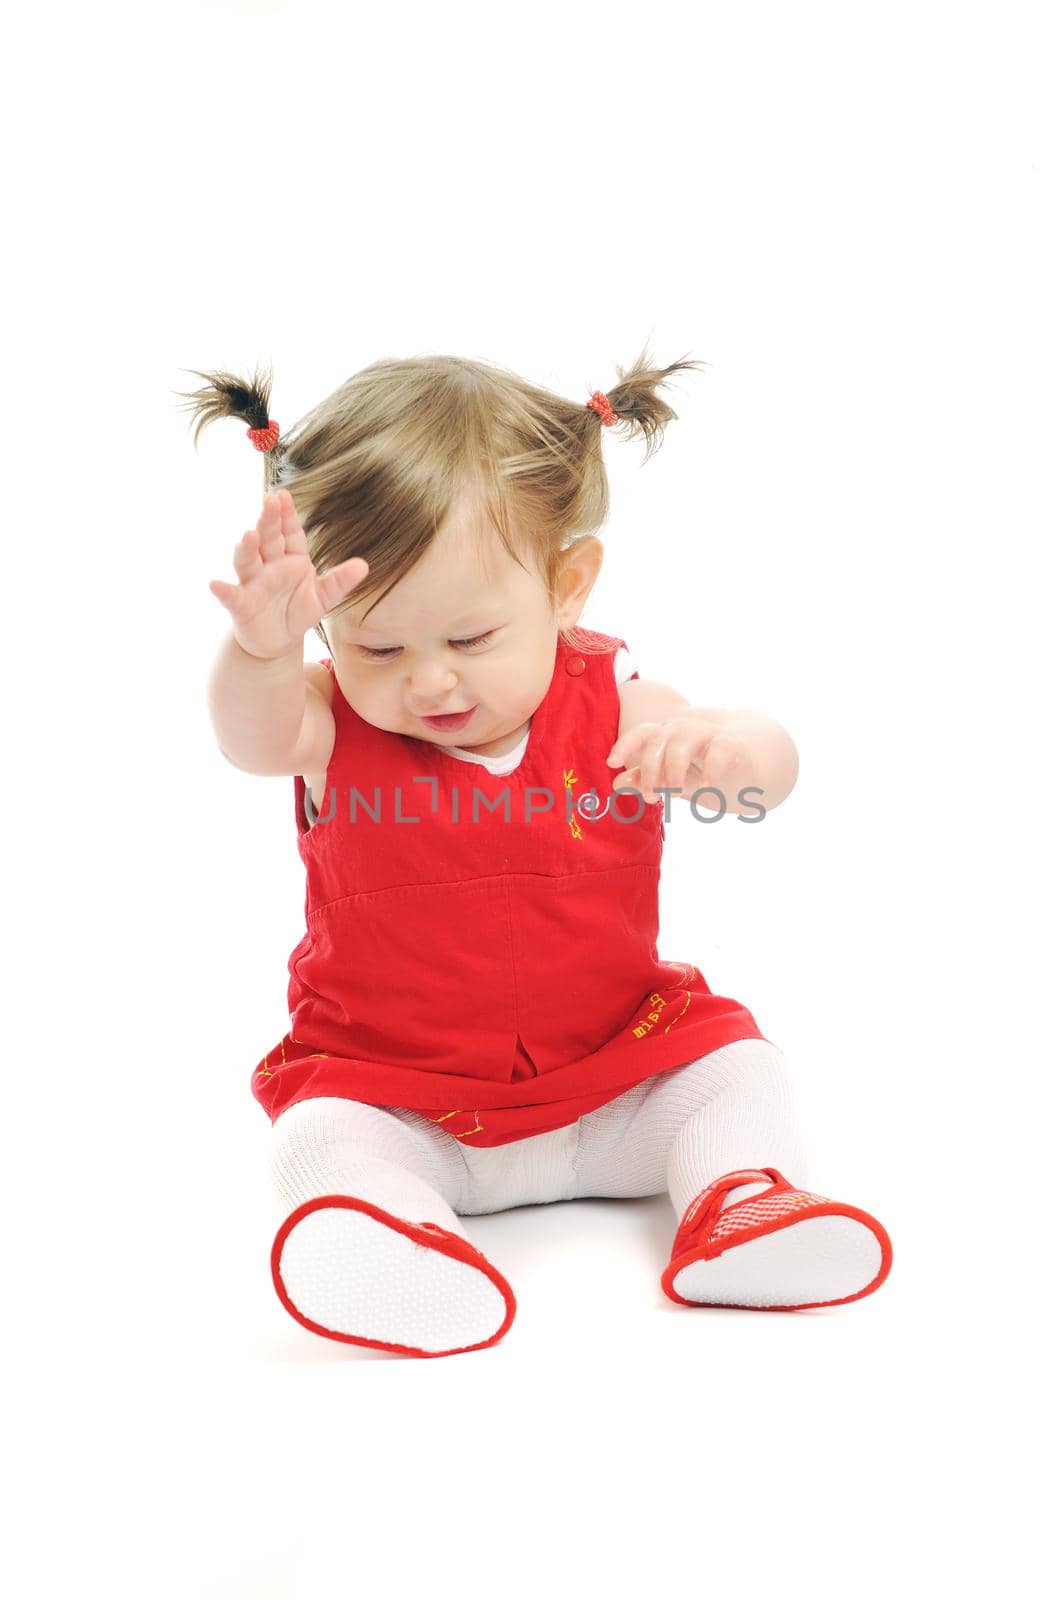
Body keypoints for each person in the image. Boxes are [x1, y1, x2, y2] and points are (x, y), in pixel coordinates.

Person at [178, 345, 892, 1359]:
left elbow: (761, 773)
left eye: (470, 637)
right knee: (318, 1136)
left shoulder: (619, 707)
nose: (428, 682)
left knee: (738, 1065)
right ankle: (398, 1237)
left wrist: (731, 750)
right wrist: (260, 652)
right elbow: (247, 739)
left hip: (614, 1083)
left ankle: (738, 1199)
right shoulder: (323, 723)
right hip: (403, 1097)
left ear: (568, 587)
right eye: (377, 646)